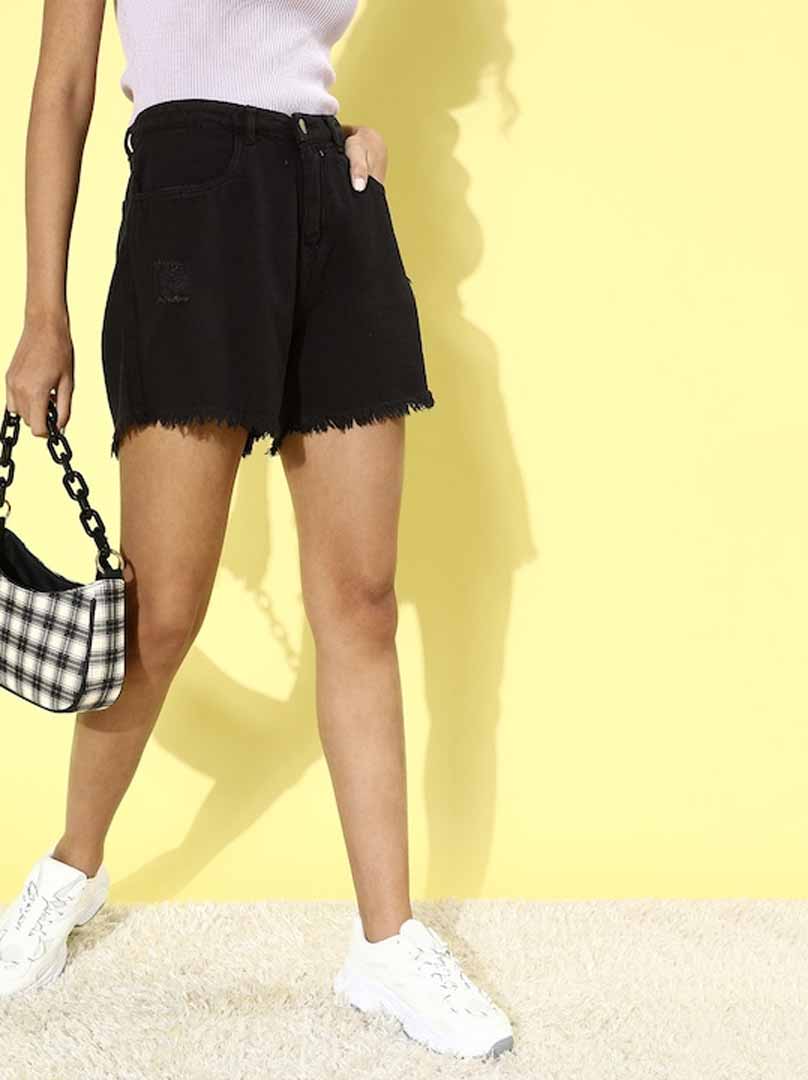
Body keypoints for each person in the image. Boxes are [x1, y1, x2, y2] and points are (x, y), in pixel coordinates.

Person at [0, 0, 513, 1061]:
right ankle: (70, 870)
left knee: (362, 602)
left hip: (332, 203)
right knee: (160, 612)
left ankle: (387, 942)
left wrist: (341, 143)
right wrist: (43, 315)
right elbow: (63, 87)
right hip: (191, 200)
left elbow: (284, 60)